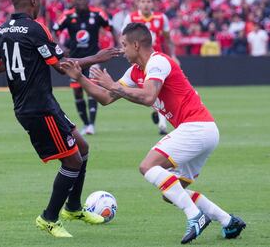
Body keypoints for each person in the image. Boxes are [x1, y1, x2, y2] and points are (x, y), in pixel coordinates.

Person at [61, 23, 246, 244]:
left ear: (136, 45)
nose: (122, 50)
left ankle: (195, 217)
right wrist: (79, 78)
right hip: (202, 131)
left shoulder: (158, 62)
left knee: (147, 166)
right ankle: (228, 222)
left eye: (124, 45)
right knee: (172, 193)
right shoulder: (135, 71)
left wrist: (113, 85)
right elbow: (106, 97)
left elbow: (148, 96)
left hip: (196, 127)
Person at [0, 0, 121, 238]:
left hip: (42, 103)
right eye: (40, 0)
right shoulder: (36, 29)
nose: (42, 4)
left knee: (82, 147)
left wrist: (24, 60)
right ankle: (49, 218)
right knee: (73, 160)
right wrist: (96, 58)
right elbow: (61, 65)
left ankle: (74, 207)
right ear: (34, 2)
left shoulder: (1, 31)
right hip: (37, 108)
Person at [52, 0, 118, 135]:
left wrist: (117, 45)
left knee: (92, 90)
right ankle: (86, 123)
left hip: (94, 58)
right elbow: (54, 31)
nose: (81, 2)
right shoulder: (68, 15)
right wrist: (61, 48)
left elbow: (111, 28)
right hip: (75, 60)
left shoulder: (98, 14)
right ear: (75, 1)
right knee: (77, 92)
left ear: (88, 1)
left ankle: (91, 125)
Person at [121, 0, 177, 135]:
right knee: (151, 93)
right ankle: (159, 113)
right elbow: (124, 39)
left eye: (148, 1)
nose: (146, 4)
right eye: (143, 1)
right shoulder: (131, 17)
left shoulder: (161, 18)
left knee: (158, 92)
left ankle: (162, 124)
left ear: (153, 4)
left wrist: (174, 56)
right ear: (138, 3)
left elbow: (167, 39)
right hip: (141, 62)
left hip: (158, 61)